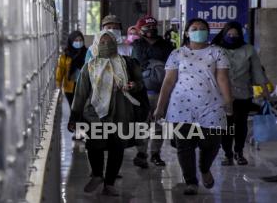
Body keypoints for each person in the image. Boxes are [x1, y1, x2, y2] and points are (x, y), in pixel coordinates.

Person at [153, 18, 233, 195]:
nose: (198, 31)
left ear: (208, 32)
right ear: (187, 33)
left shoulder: (217, 52)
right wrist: (160, 107)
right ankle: (191, 181)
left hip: (211, 104)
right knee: (185, 146)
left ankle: (204, 168)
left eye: (202, 28)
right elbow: (168, 82)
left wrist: (228, 102)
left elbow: (222, 78)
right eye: (194, 28)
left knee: (211, 143)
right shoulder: (177, 54)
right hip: (181, 105)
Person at [67, 31, 143, 196]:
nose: (106, 45)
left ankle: (110, 183)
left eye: (109, 42)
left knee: (117, 147)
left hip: (121, 112)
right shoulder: (90, 66)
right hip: (94, 114)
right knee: (94, 145)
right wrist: (74, 117)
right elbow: (80, 93)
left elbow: (140, 83)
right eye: (102, 42)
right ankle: (97, 175)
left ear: (115, 43)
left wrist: (133, 85)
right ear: (96, 44)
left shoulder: (127, 63)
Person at [211, 22, 269, 166]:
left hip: (243, 93)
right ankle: (227, 154)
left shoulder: (248, 49)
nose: (232, 37)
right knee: (225, 125)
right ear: (224, 34)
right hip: (221, 94)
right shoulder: (215, 49)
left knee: (241, 125)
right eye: (229, 34)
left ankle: (239, 152)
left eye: (236, 35)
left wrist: (265, 90)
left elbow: (257, 70)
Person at [131, 15, 174, 168]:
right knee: (142, 124)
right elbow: (137, 63)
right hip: (142, 91)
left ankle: (155, 153)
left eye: (152, 27)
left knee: (158, 124)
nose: (150, 30)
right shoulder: (137, 45)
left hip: (162, 91)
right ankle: (141, 153)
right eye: (146, 27)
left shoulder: (166, 45)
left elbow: (171, 65)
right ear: (140, 30)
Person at [56, 30, 87, 106]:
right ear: (71, 41)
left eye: (80, 40)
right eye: (76, 40)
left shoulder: (87, 53)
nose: (79, 42)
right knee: (73, 108)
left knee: (82, 109)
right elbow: (60, 71)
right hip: (70, 87)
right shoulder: (65, 56)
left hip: (83, 86)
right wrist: (58, 86)